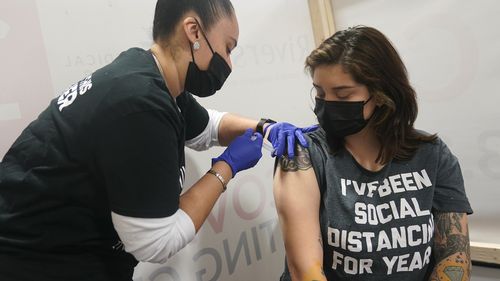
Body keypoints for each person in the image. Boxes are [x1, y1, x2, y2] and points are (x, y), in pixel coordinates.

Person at [0, 0, 315, 280]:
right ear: (193, 31)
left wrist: (266, 127)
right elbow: (155, 241)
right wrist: (226, 168)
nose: (229, 64)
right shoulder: (139, 103)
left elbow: (208, 126)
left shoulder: (150, 76)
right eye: (228, 48)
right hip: (38, 260)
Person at [273, 26, 473, 281]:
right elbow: (306, 271)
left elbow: (454, 261)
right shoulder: (303, 155)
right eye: (320, 93)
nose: (326, 105)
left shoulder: (432, 156)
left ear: (380, 94)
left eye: (343, 95)